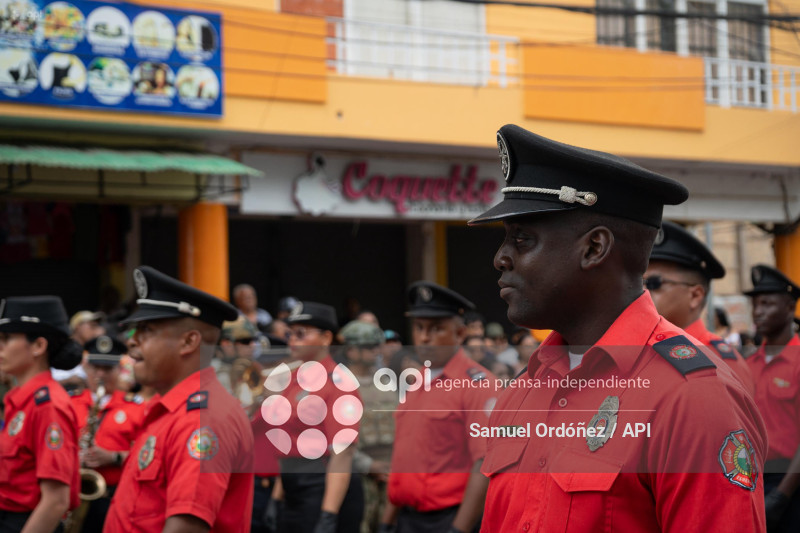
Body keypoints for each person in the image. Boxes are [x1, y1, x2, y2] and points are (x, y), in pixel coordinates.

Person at [468, 124, 767, 531]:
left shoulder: (693, 398)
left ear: (594, 248)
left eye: (522, 240)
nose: (500, 258)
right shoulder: (523, 389)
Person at [102, 266, 254, 532]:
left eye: (146, 330)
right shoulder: (173, 408)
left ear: (188, 342)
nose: (132, 341)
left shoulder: (201, 419)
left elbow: (186, 526)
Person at [385, 281, 497, 533]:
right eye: (419, 327)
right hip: (407, 516)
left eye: (436, 328)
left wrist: (459, 529)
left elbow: (485, 463)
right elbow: (403, 458)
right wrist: (387, 521)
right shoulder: (417, 382)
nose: (424, 336)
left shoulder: (477, 384)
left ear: (459, 334)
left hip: (448, 519)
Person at [262, 301, 363, 533]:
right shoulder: (294, 378)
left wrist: (328, 515)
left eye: (301, 334)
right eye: (290, 334)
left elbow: (343, 453)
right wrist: (278, 497)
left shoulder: (339, 382)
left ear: (326, 338)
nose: (292, 340)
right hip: (293, 488)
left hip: (324, 487)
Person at [0, 296, 82, 532]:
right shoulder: (22, 399)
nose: (0, 347)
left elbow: (55, 500)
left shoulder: (47, 405)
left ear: (38, 346)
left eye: (6, 339)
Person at [645, 220, 754, 395]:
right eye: (640, 283)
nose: (643, 292)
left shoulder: (720, 360)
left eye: (654, 283)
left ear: (695, 296)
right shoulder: (642, 352)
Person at [742, 264, 800, 531]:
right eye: (755, 304)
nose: (757, 312)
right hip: (752, 479)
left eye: (766, 304)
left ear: (789, 308)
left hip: (791, 483)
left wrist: (781, 496)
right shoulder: (748, 362)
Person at [78, 335, 147, 532]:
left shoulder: (137, 408)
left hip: (112, 496)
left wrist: (113, 457)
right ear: (86, 367)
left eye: (107, 368)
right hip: (71, 494)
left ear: (119, 370)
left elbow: (146, 458)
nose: (100, 373)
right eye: (95, 367)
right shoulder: (68, 402)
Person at [339, 320, 396, 533]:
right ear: (352, 351)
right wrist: (368, 465)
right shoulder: (339, 385)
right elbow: (335, 439)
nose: (376, 351)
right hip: (356, 476)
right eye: (369, 347)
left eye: (377, 346)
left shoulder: (387, 382)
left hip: (391, 473)